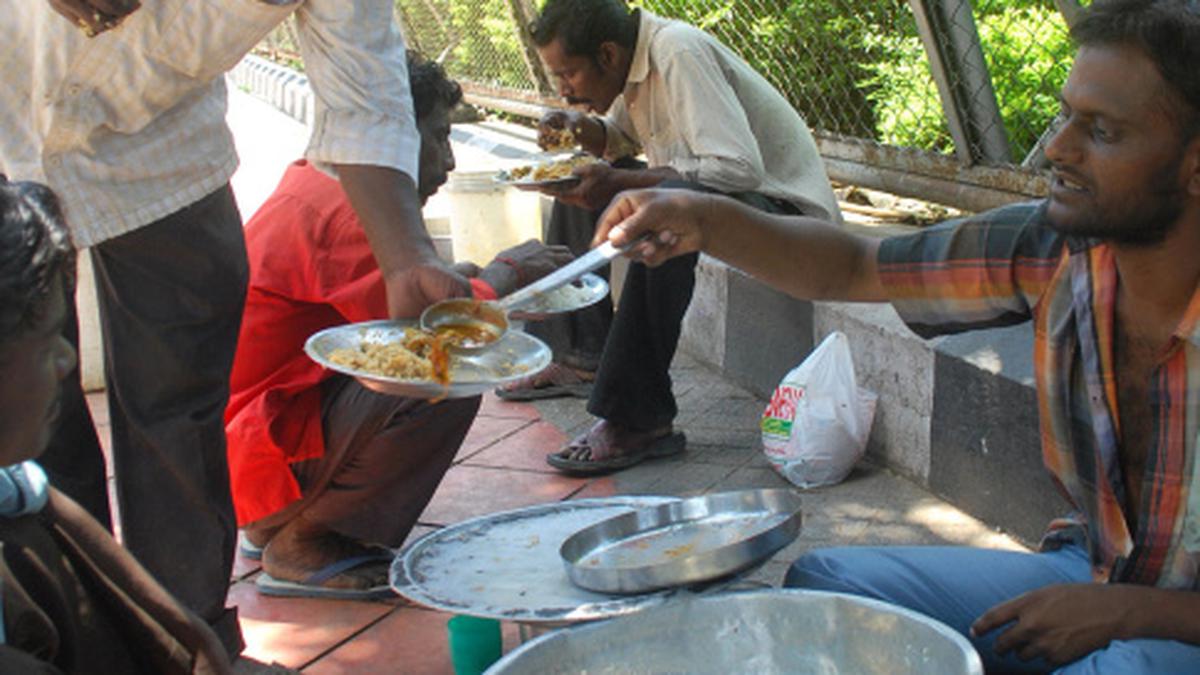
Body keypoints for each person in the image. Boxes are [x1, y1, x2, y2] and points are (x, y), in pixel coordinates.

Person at [593, 1, 1200, 670]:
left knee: (1129, 665)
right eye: (1066, 116)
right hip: (1092, 569)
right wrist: (705, 218)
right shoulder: (1053, 249)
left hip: (1171, 619)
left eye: (1103, 132)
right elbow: (855, 264)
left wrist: (1131, 613)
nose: (1057, 148)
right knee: (835, 594)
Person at [2, 1, 469, 655]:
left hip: (163, 142)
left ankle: (188, 645)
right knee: (30, 422)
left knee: (181, 412)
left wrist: (406, 254)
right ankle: (63, 640)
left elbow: (363, 79)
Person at [225, 52, 573, 600]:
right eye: (439, 138)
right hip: (260, 455)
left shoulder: (323, 180)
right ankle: (303, 541)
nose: (451, 161)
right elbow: (433, 331)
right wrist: (505, 276)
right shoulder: (348, 210)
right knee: (443, 379)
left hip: (254, 449)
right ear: (392, 140)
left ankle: (280, 520)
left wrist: (476, 279)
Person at [497, 0, 843, 477]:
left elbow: (737, 168)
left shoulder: (676, 51)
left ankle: (637, 418)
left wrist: (623, 184)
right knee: (580, 182)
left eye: (569, 74)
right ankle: (580, 355)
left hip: (788, 214)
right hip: (726, 197)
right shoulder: (633, 63)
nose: (563, 88)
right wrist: (584, 132)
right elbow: (620, 140)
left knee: (663, 211)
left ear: (608, 55)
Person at [0, 177, 230, 674]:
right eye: (45, 343)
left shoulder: (19, 493)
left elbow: (33, 494)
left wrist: (190, 635)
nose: (67, 361)